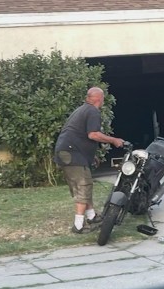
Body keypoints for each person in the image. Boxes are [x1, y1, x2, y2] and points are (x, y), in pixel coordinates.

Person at [54, 87, 125, 234]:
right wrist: (113, 140)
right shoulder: (93, 111)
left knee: (84, 185)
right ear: (100, 98)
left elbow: (79, 134)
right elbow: (93, 134)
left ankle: (92, 216)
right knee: (84, 185)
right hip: (72, 153)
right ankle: (78, 225)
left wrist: (91, 156)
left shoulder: (82, 109)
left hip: (67, 151)